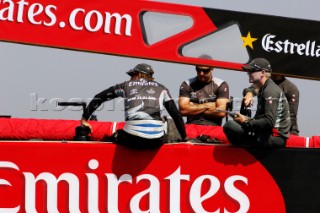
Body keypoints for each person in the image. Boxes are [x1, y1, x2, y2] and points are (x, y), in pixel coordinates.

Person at [81, 63, 189, 149]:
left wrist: (85, 118)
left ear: (138, 74)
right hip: (156, 141)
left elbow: (99, 97)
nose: (130, 79)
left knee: (111, 137)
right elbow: (176, 115)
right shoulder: (162, 88)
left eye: (132, 75)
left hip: (132, 139)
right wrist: (185, 138)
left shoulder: (125, 85)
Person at [223, 58, 291, 147]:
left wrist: (246, 122)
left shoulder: (270, 91)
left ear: (263, 73)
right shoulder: (264, 87)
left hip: (274, 137)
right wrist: (245, 118)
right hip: (269, 134)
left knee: (230, 126)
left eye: (252, 71)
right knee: (235, 123)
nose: (248, 73)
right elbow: (250, 89)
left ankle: (242, 152)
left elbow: (269, 122)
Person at [178, 56, 230, 126]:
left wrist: (194, 107)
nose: (201, 73)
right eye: (198, 70)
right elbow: (183, 111)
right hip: (191, 125)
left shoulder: (221, 84)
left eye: (205, 70)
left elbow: (221, 112)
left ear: (212, 69)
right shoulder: (187, 84)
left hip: (213, 126)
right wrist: (208, 105)